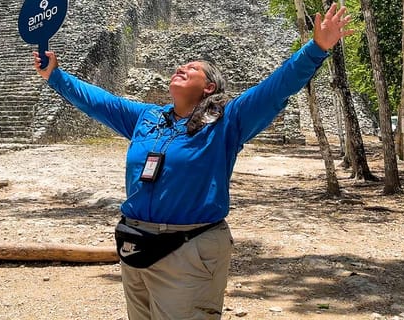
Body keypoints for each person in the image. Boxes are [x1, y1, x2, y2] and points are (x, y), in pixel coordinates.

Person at [34, 4, 354, 319]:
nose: (181, 68)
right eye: (180, 66)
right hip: (135, 244)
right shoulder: (148, 118)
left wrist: (316, 48)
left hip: (189, 250)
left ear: (209, 87)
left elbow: (275, 88)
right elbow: (99, 103)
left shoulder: (227, 122)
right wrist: (55, 76)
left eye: (193, 68)